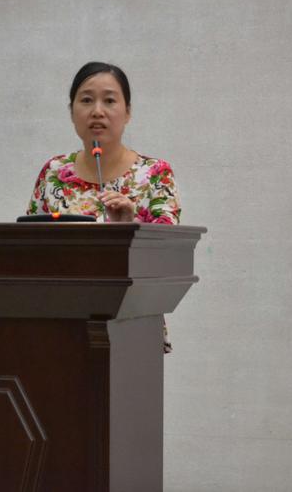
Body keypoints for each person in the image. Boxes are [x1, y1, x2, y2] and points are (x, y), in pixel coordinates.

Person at [25, 61, 181, 352]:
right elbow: (30, 249)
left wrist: (130, 228)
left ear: (127, 112)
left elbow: (169, 260)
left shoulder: (154, 174)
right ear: (72, 112)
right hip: (61, 324)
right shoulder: (53, 172)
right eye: (86, 100)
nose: (97, 111)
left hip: (132, 325)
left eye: (109, 101)